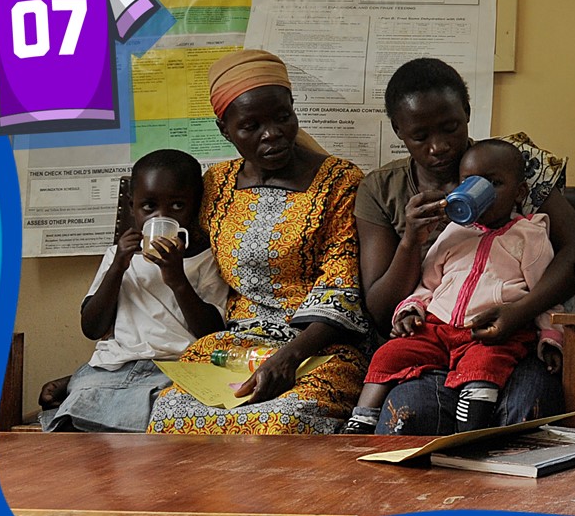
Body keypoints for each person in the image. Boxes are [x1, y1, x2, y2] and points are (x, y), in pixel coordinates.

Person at [354, 57, 575, 434]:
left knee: (525, 415)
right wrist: (411, 241)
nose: (439, 147)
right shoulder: (382, 190)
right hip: (429, 339)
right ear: (399, 131)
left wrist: (520, 312)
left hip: (511, 338)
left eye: (451, 127)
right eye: (420, 136)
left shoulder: (511, 166)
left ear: (467, 112)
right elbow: (381, 307)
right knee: (409, 418)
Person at [147, 49, 369, 435]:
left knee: (284, 420)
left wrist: (288, 357)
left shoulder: (339, 182)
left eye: (282, 117)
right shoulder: (216, 184)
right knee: (170, 415)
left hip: (316, 348)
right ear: (225, 130)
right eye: (251, 125)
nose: (273, 134)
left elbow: (342, 287)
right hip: (234, 345)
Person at [345, 140, 563, 434]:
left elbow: (544, 292)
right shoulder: (454, 232)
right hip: (439, 326)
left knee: (486, 362)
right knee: (389, 354)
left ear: (519, 193)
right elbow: (429, 283)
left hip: (488, 331)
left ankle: (470, 426)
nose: (482, 191)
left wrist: (550, 337)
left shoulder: (529, 234)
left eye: (495, 183)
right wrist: (412, 309)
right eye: (470, 183)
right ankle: (362, 418)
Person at [39, 149, 229, 432]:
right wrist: (118, 267)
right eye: (149, 207)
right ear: (132, 207)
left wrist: (177, 279)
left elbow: (211, 334)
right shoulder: (117, 256)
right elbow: (92, 327)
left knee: (173, 410)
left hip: (177, 367)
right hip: (117, 364)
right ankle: (78, 384)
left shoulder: (207, 259)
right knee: (82, 402)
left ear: (196, 205)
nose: (161, 216)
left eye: (177, 206)